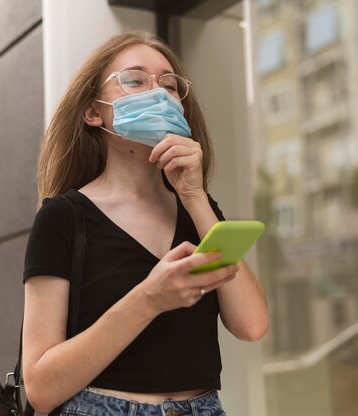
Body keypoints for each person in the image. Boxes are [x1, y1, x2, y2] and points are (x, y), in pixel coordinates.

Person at [22, 30, 269, 416]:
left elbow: (252, 326)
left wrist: (194, 197)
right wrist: (149, 299)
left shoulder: (199, 210)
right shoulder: (63, 218)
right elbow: (39, 387)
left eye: (169, 85)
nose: (158, 92)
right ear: (93, 111)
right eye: (135, 80)